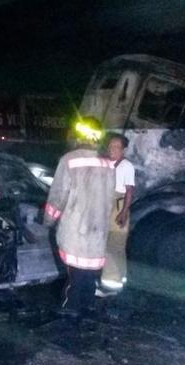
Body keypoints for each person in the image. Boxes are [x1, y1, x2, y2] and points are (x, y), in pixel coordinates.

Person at [44, 116, 116, 321]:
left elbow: (58, 196)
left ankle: (71, 306)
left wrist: (49, 220)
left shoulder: (69, 160)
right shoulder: (108, 163)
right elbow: (111, 197)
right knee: (91, 268)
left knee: (75, 269)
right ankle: (89, 304)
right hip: (98, 227)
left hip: (76, 225)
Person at [96, 133, 135, 297]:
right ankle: (119, 279)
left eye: (117, 147)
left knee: (112, 247)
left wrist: (124, 212)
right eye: (111, 146)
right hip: (105, 207)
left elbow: (129, 191)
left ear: (123, 150)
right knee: (115, 248)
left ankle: (109, 286)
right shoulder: (105, 163)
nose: (113, 149)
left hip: (117, 209)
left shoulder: (126, 166)